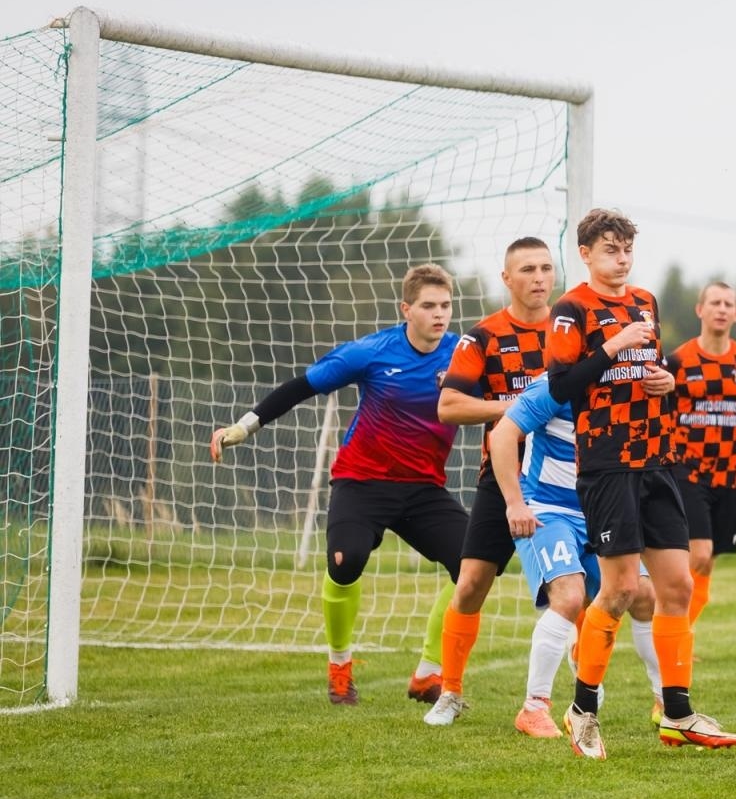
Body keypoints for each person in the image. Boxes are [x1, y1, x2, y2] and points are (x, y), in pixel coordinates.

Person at [210, 264, 465, 705]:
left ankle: (428, 674)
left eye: (445, 305)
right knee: (347, 562)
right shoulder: (371, 352)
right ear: (406, 309)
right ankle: (340, 667)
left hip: (424, 487)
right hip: (361, 482)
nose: (439, 314)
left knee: (473, 564)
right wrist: (244, 427)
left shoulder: (465, 354)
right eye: (428, 306)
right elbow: (301, 387)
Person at [546, 207, 736, 758]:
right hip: (608, 464)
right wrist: (612, 345)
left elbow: (645, 372)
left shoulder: (645, 302)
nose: (622, 259)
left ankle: (677, 714)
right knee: (620, 590)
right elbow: (561, 387)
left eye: (627, 249)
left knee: (676, 588)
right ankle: (582, 711)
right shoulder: (570, 310)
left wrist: (665, 380)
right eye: (611, 249)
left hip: (658, 459)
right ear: (586, 254)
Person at [420, 237, 561, 724]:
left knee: (578, 588)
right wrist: (516, 408)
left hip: (565, 479)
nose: (538, 278)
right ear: (506, 278)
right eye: (527, 269)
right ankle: (450, 692)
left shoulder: (572, 332)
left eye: (545, 268)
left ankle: (584, 692)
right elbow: (448, 406)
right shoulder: (482, 338)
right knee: (471, 583)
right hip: (502, 478)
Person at [486, 372, 662, 738]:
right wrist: (514, 504)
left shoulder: (623, 382)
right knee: (568, 596)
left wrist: (669, 382)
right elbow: (501, 434)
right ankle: (533, 708)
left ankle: (666, 701)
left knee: (644, 595)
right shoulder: (554, 385)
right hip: (547, 510)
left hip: (600, 511)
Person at [664, 281, 736, 632]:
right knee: (698, 553)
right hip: (685, 471)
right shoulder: (677, 362)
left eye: (728, 304)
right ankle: (671, 634)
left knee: (707, 561)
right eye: (715, 302)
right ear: (700, 310)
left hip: (727, 475)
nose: (722, 309)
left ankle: (678, 632)